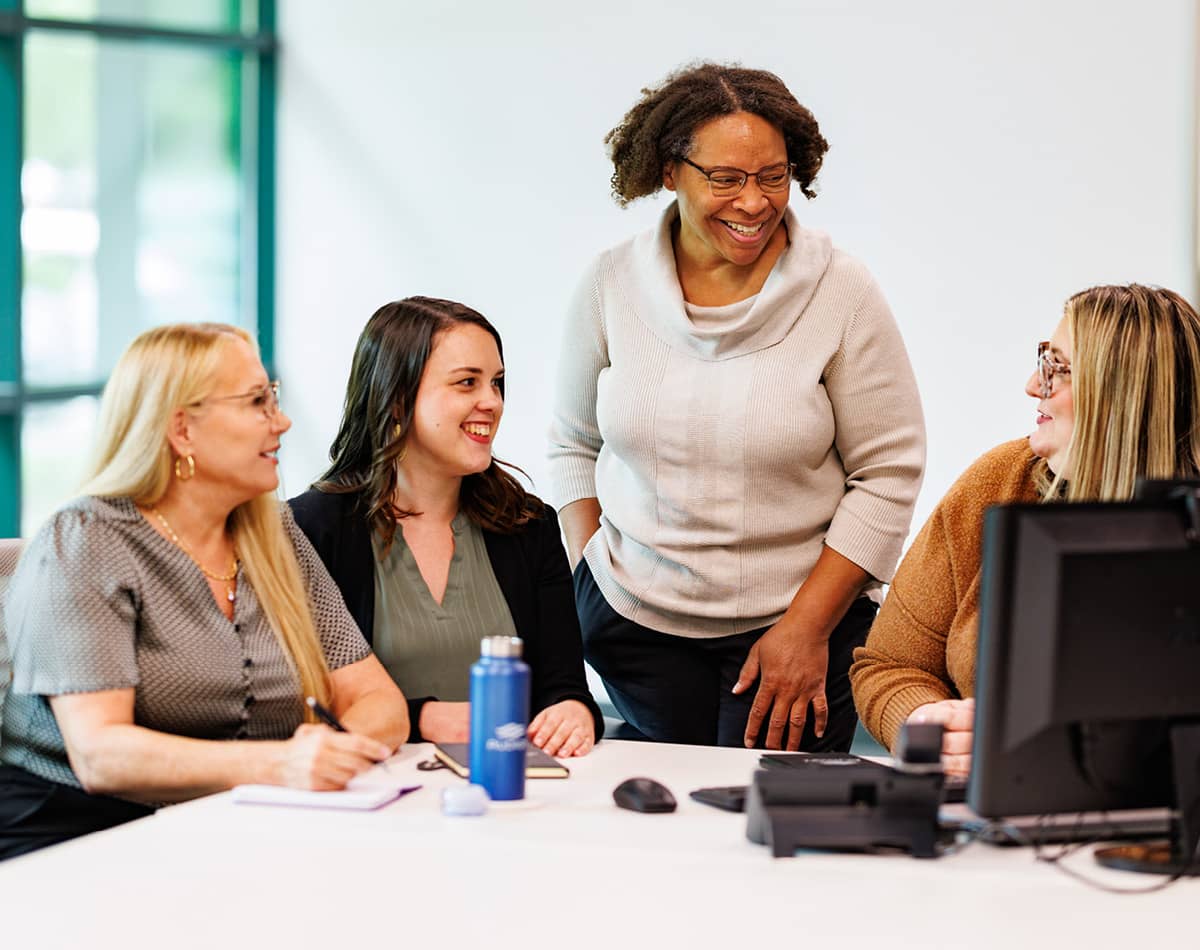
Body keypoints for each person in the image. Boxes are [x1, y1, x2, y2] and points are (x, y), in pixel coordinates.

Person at [549, 62, 926, 752]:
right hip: (637, 630)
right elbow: (571, 442)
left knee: (778, 837)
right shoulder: (611, 283)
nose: (754, 202)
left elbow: (889, 472)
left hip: (798, 631)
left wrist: (807, 629)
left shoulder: (840, 291)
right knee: (660, 835)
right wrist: (588, 571)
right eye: (726, 178)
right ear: (669, 171)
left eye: (773, 176)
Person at [0, 323, 409, 861]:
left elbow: (378, 700)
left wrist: (331, 754)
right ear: (182, 430)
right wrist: (281, 765)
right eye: (257, 402)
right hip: (72, 833)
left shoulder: (273, 534)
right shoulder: (85, 540)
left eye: (275, 399)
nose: (281, 422)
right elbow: (101, 755)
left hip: (232, 821)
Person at [850, 284, 1200, 775]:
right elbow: (886, 665)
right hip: (1007, 816)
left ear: (1118, 395)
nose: (1033, 386)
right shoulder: (998, 483)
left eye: (1057, 369)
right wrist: (923, 720)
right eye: (1043, 362)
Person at [290, 297, 602, 756]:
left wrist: (573, 710)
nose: (491, 402)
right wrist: (423, 719)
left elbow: (564, 684)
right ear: (397, 399)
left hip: (510, 791)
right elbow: (299, 702)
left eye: (496, 383)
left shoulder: (529, 526)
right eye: (466, 383)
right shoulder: (313, 528)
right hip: (370, 795)